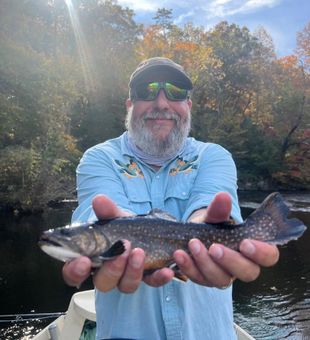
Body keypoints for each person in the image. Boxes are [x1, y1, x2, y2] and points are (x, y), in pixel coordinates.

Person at [63, 57, 279, 339]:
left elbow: (206, 208)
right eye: (147, 90)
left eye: (176, 92)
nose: (162, 103)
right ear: (130, 106)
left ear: (188, 106)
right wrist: (102, 250)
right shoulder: (99, 158)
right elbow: (97, 222)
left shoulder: (212, 156)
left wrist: (208, 227)